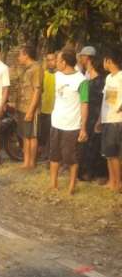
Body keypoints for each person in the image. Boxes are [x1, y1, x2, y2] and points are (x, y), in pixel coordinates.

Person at [49, 49, 89, 195]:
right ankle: (53, 184)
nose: (55, 63)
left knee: (71, 158)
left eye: (58, 60)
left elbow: (85, 104)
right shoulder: (57, 76)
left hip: (72, 125)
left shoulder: (81, 80)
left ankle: (72, 186)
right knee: (54, 156)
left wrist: (83, 128)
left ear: (64, 62)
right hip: (56, 122)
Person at [79, 55, 108, 182]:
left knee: (95, 146)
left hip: (96, 116)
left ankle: (95, 173)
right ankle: (87, 171)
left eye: (89, 64)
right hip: (89, 115)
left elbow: (104, 102)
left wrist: (99, 120)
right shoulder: (88, 81)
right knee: (87, 145)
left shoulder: (100, 81)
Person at [15, 45, 43, 169]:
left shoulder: (37, 68)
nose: (18, 58)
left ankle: (32, 162)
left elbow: (37, 90)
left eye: (20, 55)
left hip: (31, 109)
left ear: (26, 55)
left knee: (32, 136)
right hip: (22, 107)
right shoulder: (25, 69)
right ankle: (26, 162)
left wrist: (31, 111)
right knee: (25, 136)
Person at [99, 46, 122, 192]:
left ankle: (118, 183)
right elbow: (106, 99)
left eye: (104, 60)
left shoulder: (121, 76)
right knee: (108, 153)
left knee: (115, 154)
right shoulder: (109, 77)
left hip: (117, 120)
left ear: (109, 60)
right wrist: (100, 119)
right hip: (107, 119)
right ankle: (111, 180)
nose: (103, 63)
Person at [40, 52, 58, 160]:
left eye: (52, 60)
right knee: (44, 133)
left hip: (56, 110)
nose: (50, 62)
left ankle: (51, 154)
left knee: (53, 135)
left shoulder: (60, 75)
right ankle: (44, 153)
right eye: (48, 60)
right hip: (44, 109)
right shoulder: (44, 74)